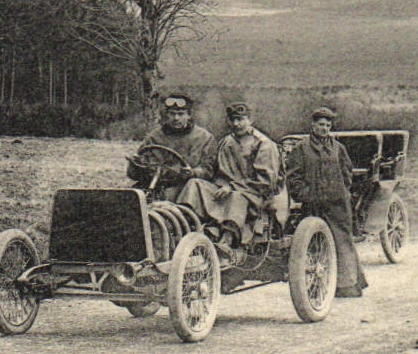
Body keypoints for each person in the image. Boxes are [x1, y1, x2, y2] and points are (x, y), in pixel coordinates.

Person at [284, 107, 368, 298]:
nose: (325, 128)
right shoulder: (301, 149)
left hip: (337, 205)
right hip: (313, 205)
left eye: (328, 125)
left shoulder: (338, 148)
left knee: (342, 242)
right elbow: (293, 178)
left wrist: (342, 192)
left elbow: (347, 172)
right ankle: (318, 286)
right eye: (321, 124)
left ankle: (349, 284)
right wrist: (307, 195)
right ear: (312, 125)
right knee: (316, 245)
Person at [177, 102, 281, 247]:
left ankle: (227, 240)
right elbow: (212, 170)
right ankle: (185, 226)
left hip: (252, 195)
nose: (236, 124)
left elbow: (265, 182)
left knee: (236, 197)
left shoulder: (264, 144)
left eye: (241, 119)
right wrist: (194, 172)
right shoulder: (225, 142)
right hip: (222, 191)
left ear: (250, 120)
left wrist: (232, 187)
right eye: (232, 120)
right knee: (194, 184)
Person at [130, 92, 215, 191]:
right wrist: (135, 164)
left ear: (189, 116)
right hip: (156, 185)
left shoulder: (204, 138)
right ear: (167, 114)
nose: (176, 118)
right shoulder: (154, 137)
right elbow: (135, 173)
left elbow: (209, 170)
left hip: (187, 188)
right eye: (172, 113)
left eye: (181, 114)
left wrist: (193, 173)